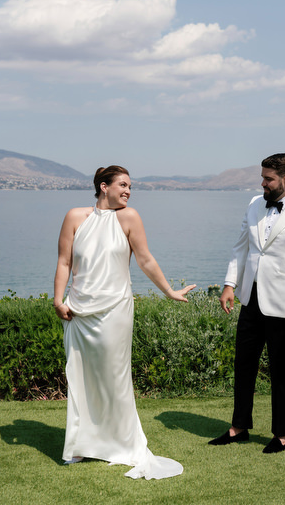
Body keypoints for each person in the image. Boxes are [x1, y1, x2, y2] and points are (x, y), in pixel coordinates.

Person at [53, 165, 196, 479]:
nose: (128, 191)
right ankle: (80, 446)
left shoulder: (130, 217)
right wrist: (57, 298)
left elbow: (144, 259)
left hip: (116, 310)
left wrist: (170, 291)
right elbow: (64, 261)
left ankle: (123, 445)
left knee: (115, 378)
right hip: (79, 312)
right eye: (123, 185)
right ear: (104, 187)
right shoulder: (75, 217)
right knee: (81, 377)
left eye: (130, 186)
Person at [209, 153, 285, 453]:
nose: (263, 183)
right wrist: (229, 284)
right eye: (263, 177)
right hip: (250, 299)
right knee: (243, 365)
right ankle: (238, 428)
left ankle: (282, 435)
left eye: (268, 178)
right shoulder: (253, 204)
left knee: (280, 370)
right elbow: (241, 248)